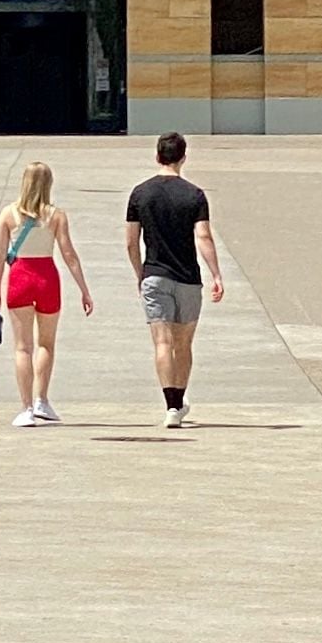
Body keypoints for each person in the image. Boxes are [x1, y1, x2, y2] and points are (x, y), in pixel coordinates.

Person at [122, 130, 224, 428]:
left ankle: (171, 406)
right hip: (188, 278)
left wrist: (140, 273)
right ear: (183, 157)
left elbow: (131, 241)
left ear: (157, 156)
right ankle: (179, 401)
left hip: (155, 275)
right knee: (184, 344)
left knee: (162, 343)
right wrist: (216, 273)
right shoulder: (194, 195)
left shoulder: (140, 193)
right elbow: (203, 236)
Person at [0, 158, 91, 426]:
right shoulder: (56, 216)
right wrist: (84, 290)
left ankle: (26, 408)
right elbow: (69, 254)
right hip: (47, 278)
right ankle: (42, 399)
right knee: (46, 344)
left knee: (22, 348)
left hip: (20, 277)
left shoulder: (8, 214)